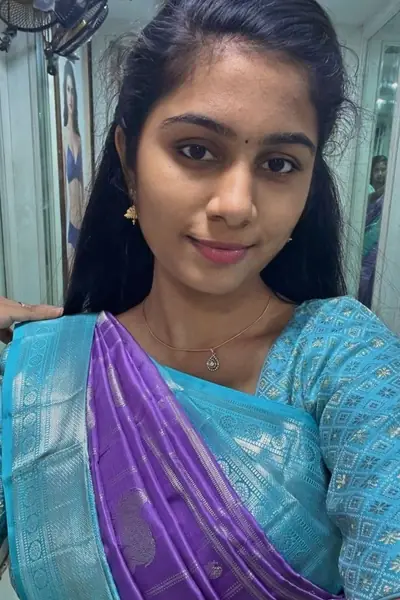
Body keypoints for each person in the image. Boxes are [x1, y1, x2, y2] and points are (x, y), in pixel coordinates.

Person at [1, 0, 400, 598]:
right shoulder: (49, 375)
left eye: (279, 163)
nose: (236, 205)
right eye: (196, 150)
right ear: (129, 163)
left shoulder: (341, 359)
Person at [358, 155, 388, 308]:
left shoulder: (388, 198)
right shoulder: (366, 195)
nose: (380, 174)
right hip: (361, 247)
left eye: (383, 170)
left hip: (376, 251)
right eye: (376, 170)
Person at [63, 60, 85, 259]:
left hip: (81, 226)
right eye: (67, 90)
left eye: (73, 91)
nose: (70, 97)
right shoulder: (63, 136)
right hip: (70, 225)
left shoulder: (78, 137)